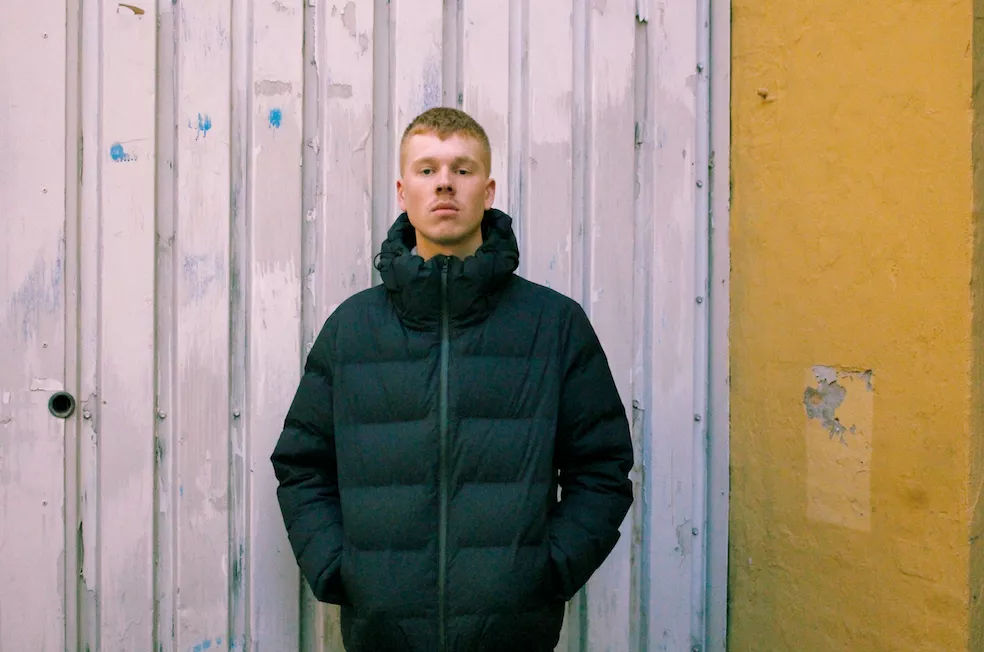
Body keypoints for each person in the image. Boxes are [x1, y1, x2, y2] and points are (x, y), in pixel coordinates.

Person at [271, 107, 634, 652]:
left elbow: (602, 467)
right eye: (427, 169)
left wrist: (547, 571)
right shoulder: (352, 329)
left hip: (512, 635)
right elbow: (303, 465)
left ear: (487, 192)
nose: (444, 182)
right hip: (383, 635)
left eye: (462, 169)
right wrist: (341, 570)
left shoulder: (553, 324)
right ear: (403, 192)